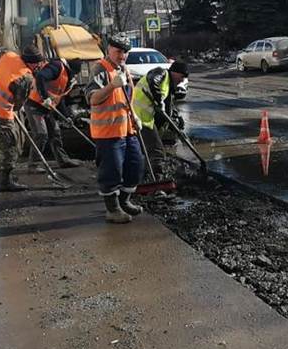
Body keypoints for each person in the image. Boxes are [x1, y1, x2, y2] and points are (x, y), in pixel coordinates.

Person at [85, 34, 144, 224]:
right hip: (108, 132)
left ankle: (124, 201)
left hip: (127, 129)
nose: (122, 55)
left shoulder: (123, 69)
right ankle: (112, 209)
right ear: (109, 49)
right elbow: (93, 99)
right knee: (111, 172)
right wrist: (111, 86)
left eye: (125, 52)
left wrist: (134, 116)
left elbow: (126, 99)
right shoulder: (100, 69)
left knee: (135, 166)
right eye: (118, 51)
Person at [0, 45, 40, 192]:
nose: (38, 66)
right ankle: (6, 182)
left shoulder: (8, 55)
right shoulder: (25, 77)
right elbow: (19, 104)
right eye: (37, 63)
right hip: (1, 114)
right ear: (32, 63)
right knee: (9, 147)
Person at [24, 56, 81, 172]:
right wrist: (45, 97)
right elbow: (40, 77)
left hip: (47, 107)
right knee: (41, 134)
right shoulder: (57, 67)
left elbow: (59, 98)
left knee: (55, 133)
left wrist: (66, 116)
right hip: (35, 104)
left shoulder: (65, 78)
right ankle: (33, 165)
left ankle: (63, 160)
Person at [132, 60, 188, 175]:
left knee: (145, 151)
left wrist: (177, 122)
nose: (182, 80)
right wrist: (158, 99)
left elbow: (168, 109)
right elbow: (153, 80)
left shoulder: (168, 86)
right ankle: (158, 178)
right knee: (156, 152)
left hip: (146, 120)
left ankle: (144, 175)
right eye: (182, 76)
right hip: (138, 118)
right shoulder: (161, 73)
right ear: (175, 72)